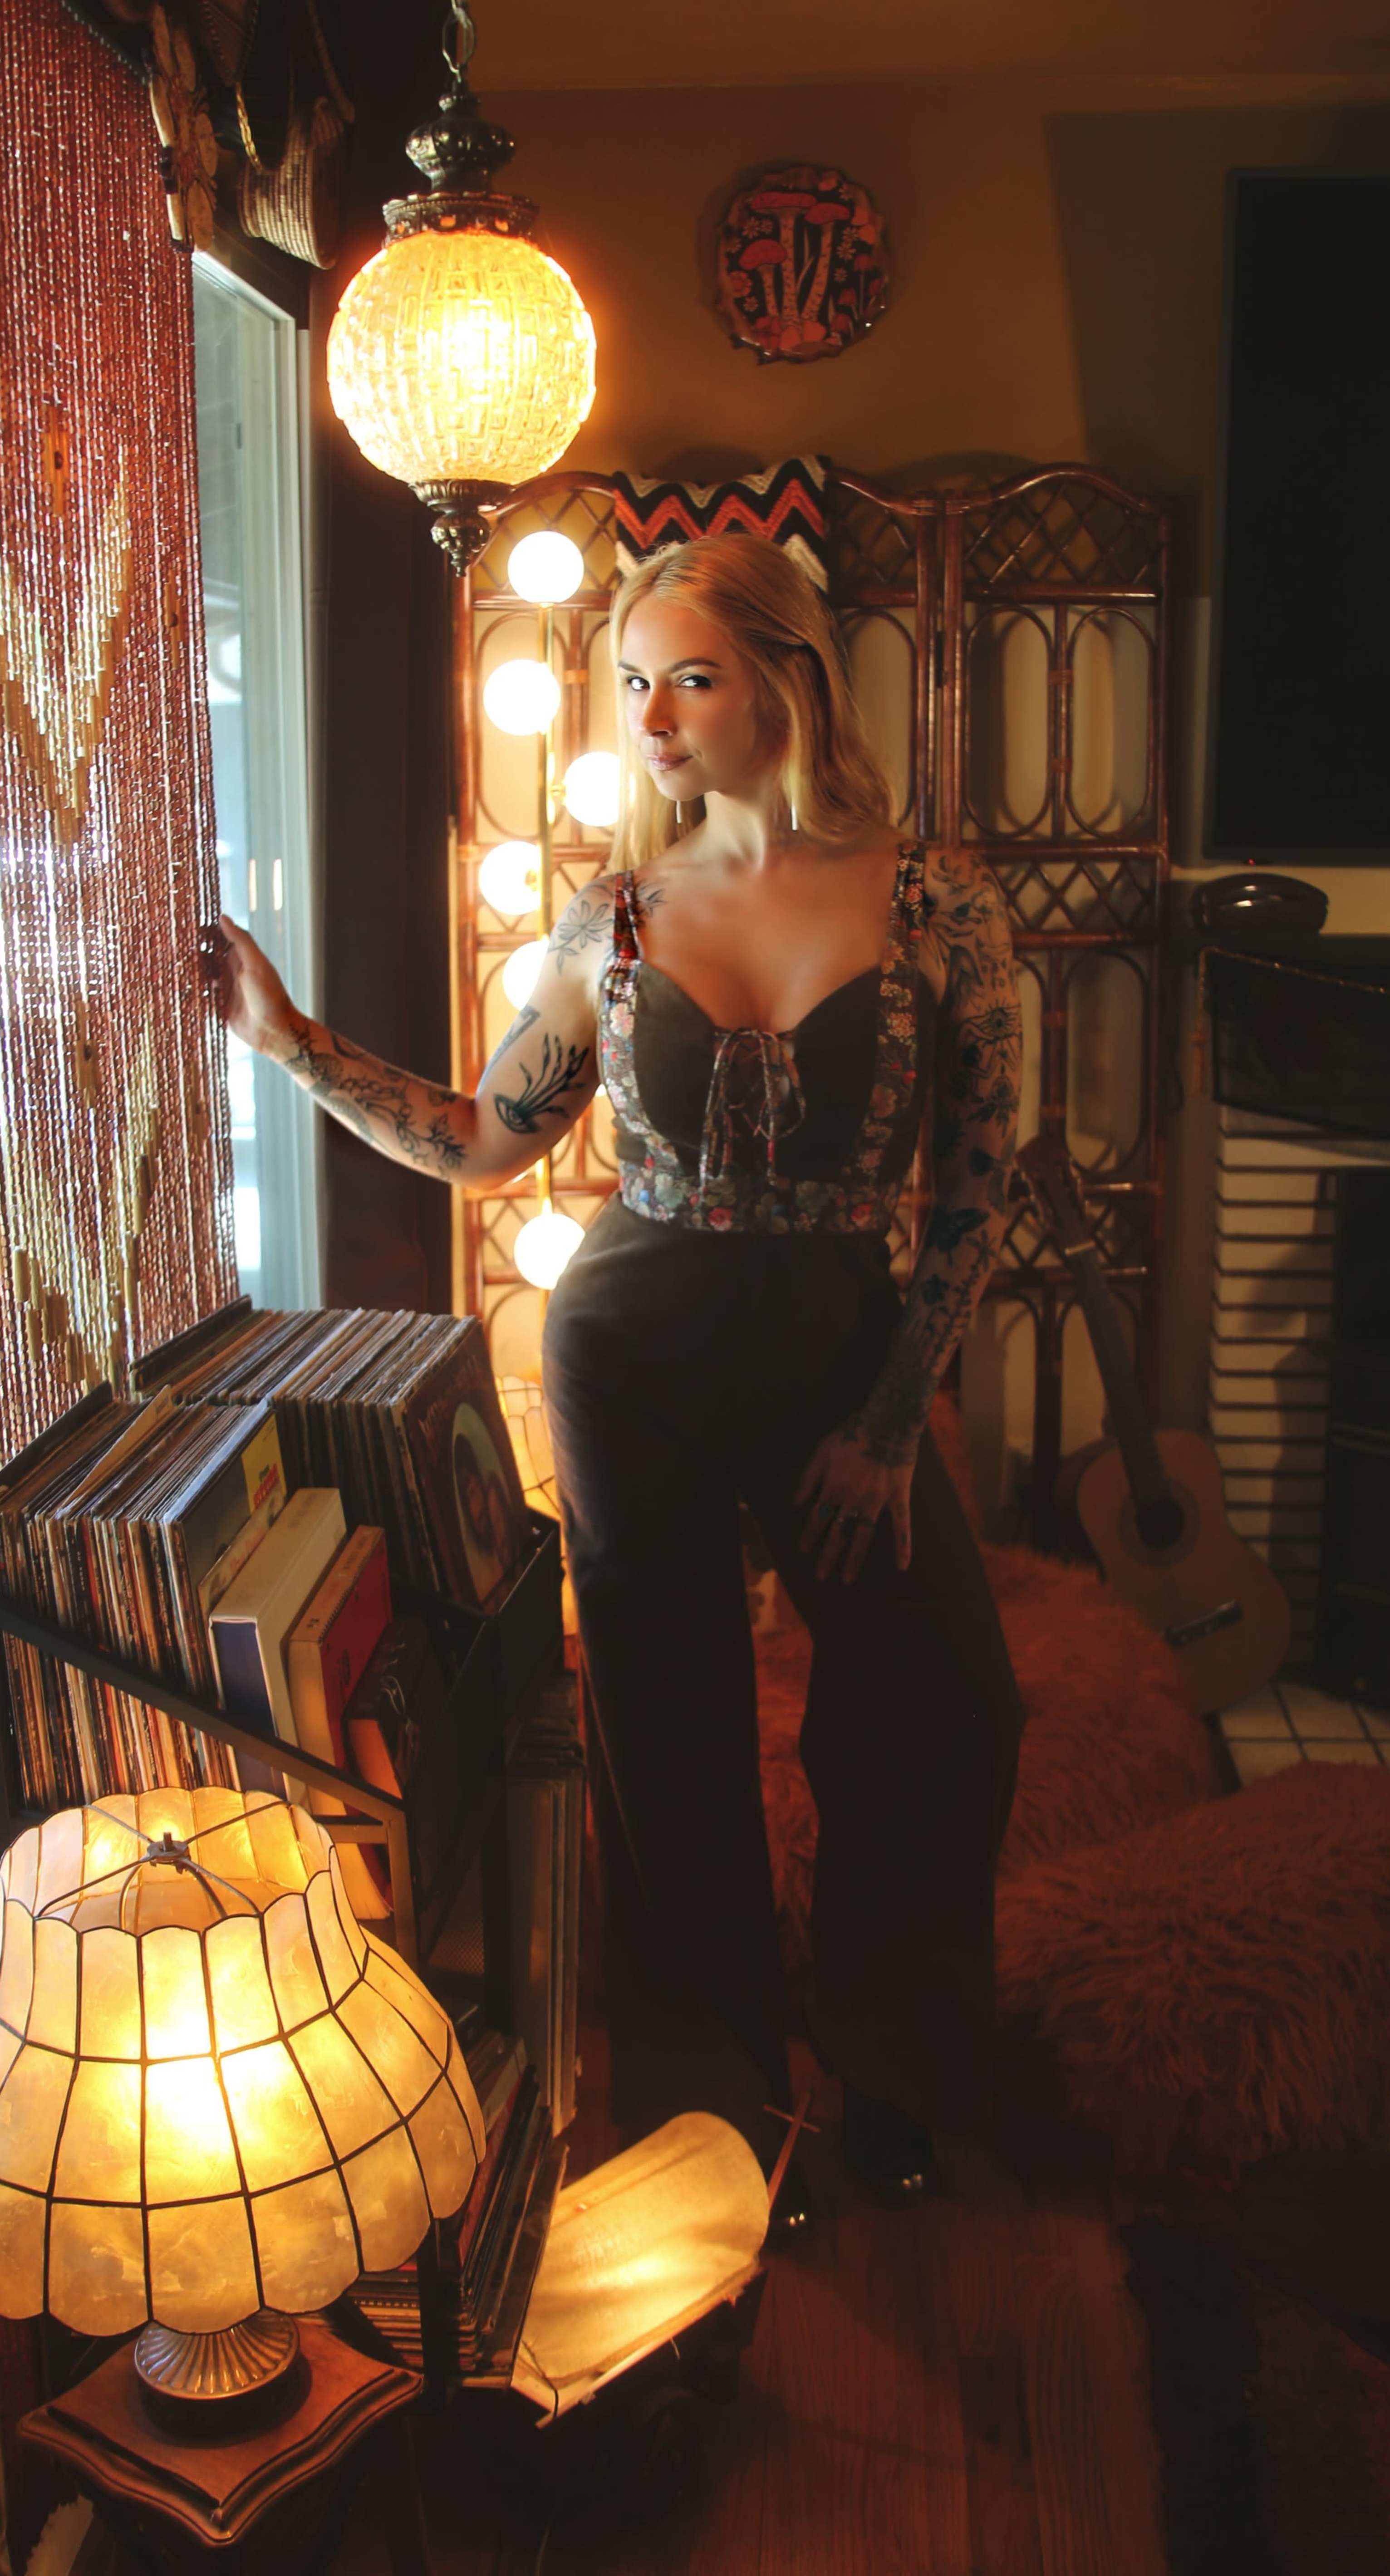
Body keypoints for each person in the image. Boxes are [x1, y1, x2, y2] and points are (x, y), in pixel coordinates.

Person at [210, 533, 1026, 2233]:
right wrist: (289, 1046)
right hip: (629, 1353)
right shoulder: (617, 916)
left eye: (692, 679)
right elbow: (478, 1143)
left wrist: (890, 1430)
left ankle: (888, 2062)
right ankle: (717, 2108)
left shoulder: (941, 905)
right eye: (631, 683)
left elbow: (971, 1195)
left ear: (789, 681)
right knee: (665, 1734)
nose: (650, 717)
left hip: (837, 1349)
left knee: (945, 1697)